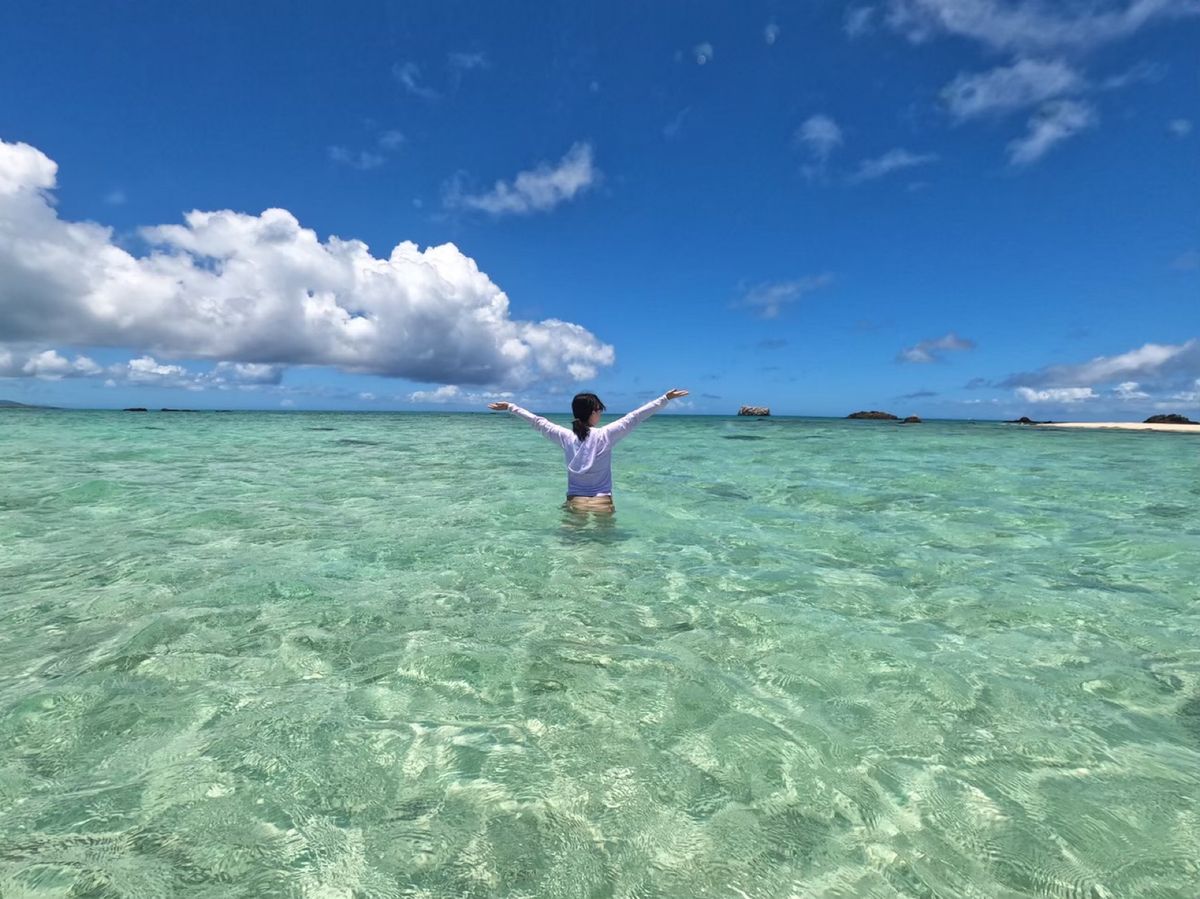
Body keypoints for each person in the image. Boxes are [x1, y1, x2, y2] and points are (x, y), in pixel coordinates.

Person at [488, 389, 689, 512]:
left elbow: (538, 422)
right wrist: (664, 399)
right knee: (601, 556)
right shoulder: (605, 435)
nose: (600, 414)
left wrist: (511, 407)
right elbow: (634, 417)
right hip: (602, 503)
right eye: (600, 410)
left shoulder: (566, 436)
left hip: (575, 502)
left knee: (571, 553)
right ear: (593, 412)